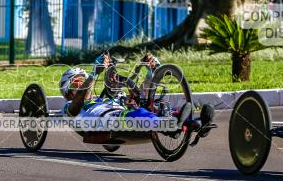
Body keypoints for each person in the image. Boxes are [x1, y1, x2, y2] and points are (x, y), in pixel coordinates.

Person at [59, 53, 194, 132]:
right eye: (77, 83)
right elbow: (78, 104)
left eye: (84, 80)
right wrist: (93, 74)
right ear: (67, 92)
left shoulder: (104, 99)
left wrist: (149, 73)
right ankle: (171, 125)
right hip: (108, 121)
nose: (82, 84)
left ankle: (193, 122)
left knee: (154, 107)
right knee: (137, 113)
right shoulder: (68, 107)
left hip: (126, 114)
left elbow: (140, 96)